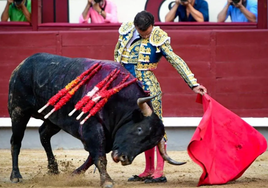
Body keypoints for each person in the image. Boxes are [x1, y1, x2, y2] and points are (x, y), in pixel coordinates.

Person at [114, 10, 207, 183]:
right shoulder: (126, 30)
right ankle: (148, 169)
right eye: (142, 32)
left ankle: (159, 171)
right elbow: (118, 57)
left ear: (152, 26)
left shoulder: (159, 36)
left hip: (148, 88)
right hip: (127, 87)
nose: (146, 35)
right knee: (139, 127)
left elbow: (175, 59)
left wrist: (193, 83)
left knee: (155, 126)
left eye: (148, 32)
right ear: (136, 27)